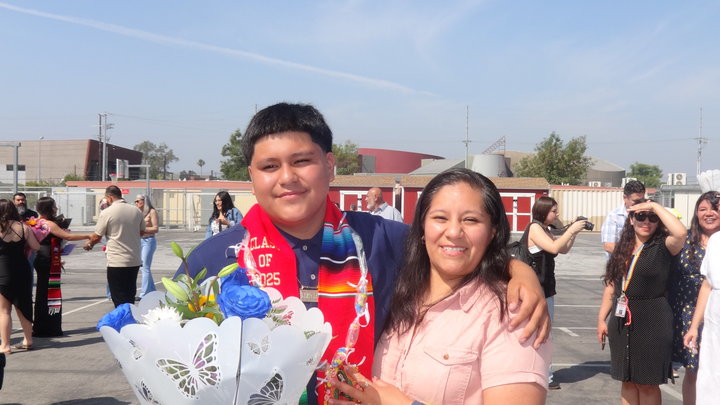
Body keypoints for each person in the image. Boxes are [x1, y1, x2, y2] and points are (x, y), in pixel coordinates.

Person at [177, 102, 550, 405]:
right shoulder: (210, 261)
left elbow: (452, 246)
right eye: (269, 166)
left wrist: (520, 271)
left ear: (329, 165)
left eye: (301, 161)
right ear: (251, 175)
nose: (287, 177)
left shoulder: (380, 239)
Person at [330, 168, 552, 405]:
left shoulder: (512, 312)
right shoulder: (398, 291)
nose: (454, 232)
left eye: (471, 220)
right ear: (422, 227)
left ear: (492, 231)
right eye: (440, 218)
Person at [597, 199, 685, 405]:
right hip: (621, 321)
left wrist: (654, 206)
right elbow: (612, 286)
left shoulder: (663, 246)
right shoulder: (621, 249)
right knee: (627, 381)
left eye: (652, 217)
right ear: (630, 219)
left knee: (647, 383)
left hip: (652, 320)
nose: (647, 221)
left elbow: (681, 233)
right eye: (641, 216)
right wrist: (601, 319)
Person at [527, 196, 587, 390]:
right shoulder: (535, 228)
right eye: (554, 211)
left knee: (545, 331)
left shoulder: (546, 230)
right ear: (543, 211)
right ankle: (545, 376)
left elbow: (563, 249)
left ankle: (542, 374)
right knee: (542, 331)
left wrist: (574, 232)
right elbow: (554, 247)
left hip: (546, 287)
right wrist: (571, 230)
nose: (557, 214)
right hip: (535, 288)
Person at [669, 192, 719, 404]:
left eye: (714, 208)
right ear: (696, 213)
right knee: (694, 369)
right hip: (688, 312)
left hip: (715, 310)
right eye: (703, 209)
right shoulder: (685, 239)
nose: (709, 213)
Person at [33, 197, 94, 337]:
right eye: (54, 206)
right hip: (47, 258)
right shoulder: (48, 223)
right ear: (48, 208)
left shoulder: (36, 222)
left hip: (42, 257)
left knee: (42, 293)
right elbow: (68, 237)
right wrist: (88, 235)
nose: (56, 209)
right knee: (50, 292)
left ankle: (41, 326)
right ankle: (48, 327)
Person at [84, 186, 146, 308]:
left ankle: (122, 318)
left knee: (118, 296)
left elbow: (97, 236)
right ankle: (129, 316)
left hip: (117, 261)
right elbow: (142, 231)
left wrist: (89, 244)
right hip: (133, 260)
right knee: (130, 295)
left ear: (110, 197)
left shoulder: (107, 213)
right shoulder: (136, 211)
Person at [683, 231, 720, 405]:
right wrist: (694, 327)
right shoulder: (716, 240)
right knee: (711, 378)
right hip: (714, 325)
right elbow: (707, 285)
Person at [0, 199, 40, 353]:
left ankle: (5, 345)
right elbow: (35, 246)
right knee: (23, 305)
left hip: (3, 271)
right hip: (22, 270)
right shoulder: (24, 227)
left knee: (4, 310)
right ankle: (28, 340)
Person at [601, 180, 646, 260]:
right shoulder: (613, 217)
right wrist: (632, 260)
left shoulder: (647, 216)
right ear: (625, 198)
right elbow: (609, 246)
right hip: (621, 264)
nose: (639, 204)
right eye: (635, 201)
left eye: (641, 200)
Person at [135, 195, 159, 299]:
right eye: (135, 201)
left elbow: (155, 228)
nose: (136, 203)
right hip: (139, 240)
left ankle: (143, 294)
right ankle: (152, 290)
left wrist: (144, 230)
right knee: (144, 267)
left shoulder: (152, 212)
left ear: (144, 201)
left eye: (138, 201)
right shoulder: (138, 212)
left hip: (148, 241)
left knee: (145, 267)